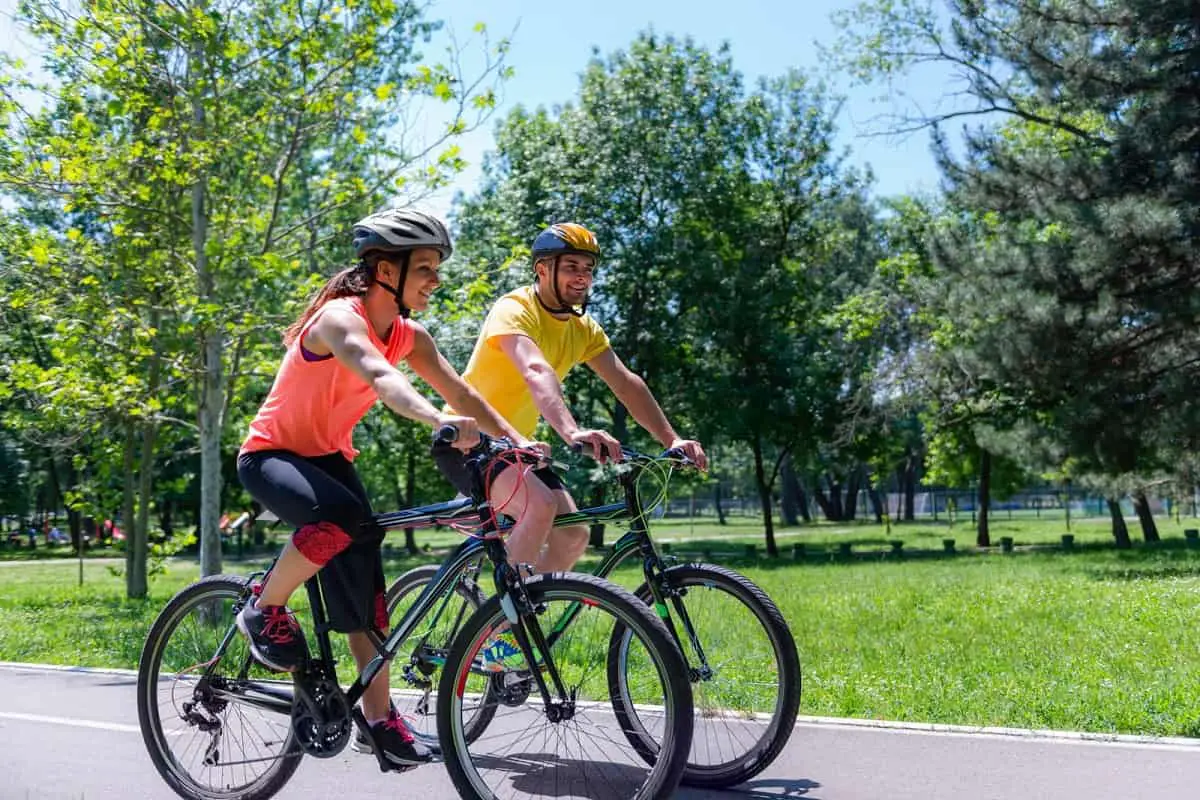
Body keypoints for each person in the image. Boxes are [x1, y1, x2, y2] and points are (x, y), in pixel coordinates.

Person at [235, 208, 535, 768]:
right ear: (383, 269)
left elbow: (464, 394)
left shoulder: (410, 334)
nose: (435, 280)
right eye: (424, 266)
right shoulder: (337, 319)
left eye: (437, 267)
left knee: (369, 593)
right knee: (340, 517)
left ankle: (379, 720)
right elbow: (382, 377)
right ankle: (263, 606)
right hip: (270, 455)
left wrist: (518, 441)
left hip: (328, 460)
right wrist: (435, 421)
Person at [433, 222, 708, 598]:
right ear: (542, 269)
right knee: (541, 505)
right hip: (466, 437)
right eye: (571, 267)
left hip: (518, 449)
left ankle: (516, 637)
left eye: (588, 269)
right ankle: (497, 628)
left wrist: (672, 439)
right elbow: (535, 369)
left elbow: (626, 383)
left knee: (573, 533)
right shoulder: (514, 309)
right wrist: (572, 432)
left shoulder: (583, 329)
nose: (582, 277)